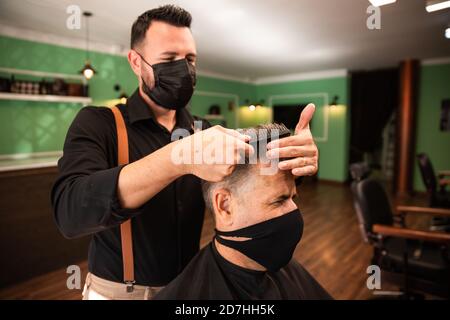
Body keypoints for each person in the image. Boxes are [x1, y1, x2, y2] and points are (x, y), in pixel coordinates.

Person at [51, 5, 319, 300]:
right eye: (168, 59)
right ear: (136, 62)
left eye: (190, 59)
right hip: (120, 293)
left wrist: (295, 156)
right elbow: (70, 213)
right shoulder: (99, 123)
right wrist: (178, 158)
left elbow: (254, 176)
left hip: (191, 288)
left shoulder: (206, 130)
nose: (184, 69)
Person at [155, 124, 330, 300]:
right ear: (225, 205)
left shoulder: (289, 273)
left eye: (293, 197)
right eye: (279, 200)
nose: (294, 211)